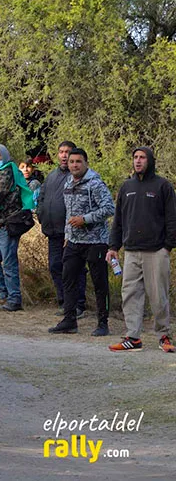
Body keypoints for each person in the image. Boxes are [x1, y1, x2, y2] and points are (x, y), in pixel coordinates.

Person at [107, 147, 176, 353]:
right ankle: (133, 337)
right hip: (131, 251)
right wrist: (113, 247)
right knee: (130, 294)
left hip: (156, 251)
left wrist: (168, 246)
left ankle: (163, 335)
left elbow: (172, 219)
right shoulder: (127, 186)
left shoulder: (163, 186)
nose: (138, 161)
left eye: (142, 157)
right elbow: (118, 220)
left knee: (158, 296)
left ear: (150, 160)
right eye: (135, 157)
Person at [48, 149, 115, 336]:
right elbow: (69, 212)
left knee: (99, 283)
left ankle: (103, 323)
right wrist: (67, 235)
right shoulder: (68, 182)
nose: (74, 165)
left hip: (96, 241)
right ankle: (69, 320)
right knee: (68, 279)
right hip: (74, 242)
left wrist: (85, 219)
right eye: (71, 162)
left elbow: (110, 208)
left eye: (78, 161)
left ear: (86, 163)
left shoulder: (95, 183)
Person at [0, 144, 35, 312]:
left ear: (5, 155)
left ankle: (14, 298)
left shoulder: (7, 172)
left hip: (7, 224)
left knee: (9, 262)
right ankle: (0, 294)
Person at [37, 141, 88, 317]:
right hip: (53, 231)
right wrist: (42, 216)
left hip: (72, 232)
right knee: (55, 266)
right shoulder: (51, 176)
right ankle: (65, 302)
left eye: (68, 152)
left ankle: (78, 305)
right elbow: (41, 198)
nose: (64, 155)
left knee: (75, 268)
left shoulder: (78, 176)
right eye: (61, 152)